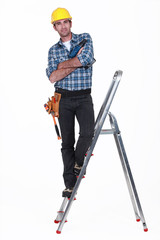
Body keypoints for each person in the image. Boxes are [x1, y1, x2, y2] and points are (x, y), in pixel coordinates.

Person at [46, 7, 95, 198]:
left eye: (65, 22)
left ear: (70, 23)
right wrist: (76, 61)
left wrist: (62, 65)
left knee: (88, 133)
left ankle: (77, 163)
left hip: (84, 97)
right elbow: (52, 77)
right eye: (58, 23)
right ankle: (69, 184)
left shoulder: (85, 38)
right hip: (62, 98)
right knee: (67, 142)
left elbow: (86, 58)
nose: (63, 26)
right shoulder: (52, 50)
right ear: (55, 27)